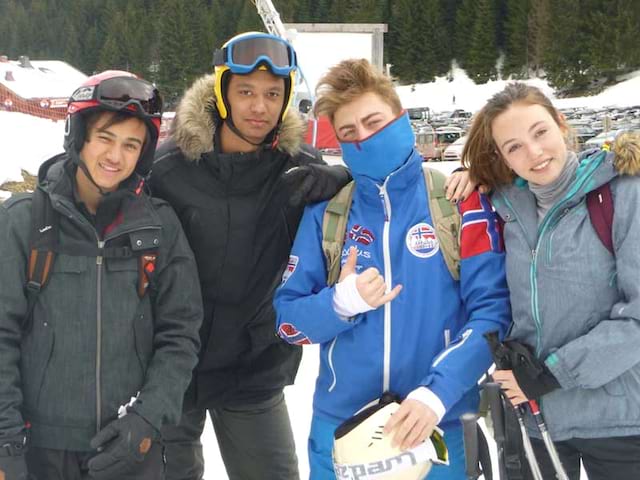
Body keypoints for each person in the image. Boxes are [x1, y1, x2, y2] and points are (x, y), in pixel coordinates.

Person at [273, 58, 511, 479]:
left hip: (439, 426)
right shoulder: (329, 213)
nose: (364, 138)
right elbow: (288, 323)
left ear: (400, 119)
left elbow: (492, 314)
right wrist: (341, 302)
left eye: (374, 122)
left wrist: (436, 395)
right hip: (343, 428)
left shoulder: (456, 202)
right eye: (349, 133)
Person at [149, 32, 352, 480]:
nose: (259, 107)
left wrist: (343, 180)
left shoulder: (300, 168)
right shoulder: (169, 169)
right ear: (221, 94)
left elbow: (378, 201)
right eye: (245, 92)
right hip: (169, 368)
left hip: (253, 364)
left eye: (272, 95)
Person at [0, 70, 203, 480]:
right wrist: (5, 443)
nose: (116, 156)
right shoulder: (23, 222)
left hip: (128, 448)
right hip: (40, 450)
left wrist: (146, 421)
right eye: (105, 138)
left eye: (131, 145)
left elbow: (180, 334)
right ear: (79, 138)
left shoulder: (159, 228)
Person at [451, 82, 640, 480]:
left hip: (620, 421)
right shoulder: (505, 207)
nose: (534, 153)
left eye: (540, 132)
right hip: (536, 423)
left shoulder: (622, 192)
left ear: (561, 124)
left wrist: (553, 373)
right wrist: (469, 177)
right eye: (514, 146)